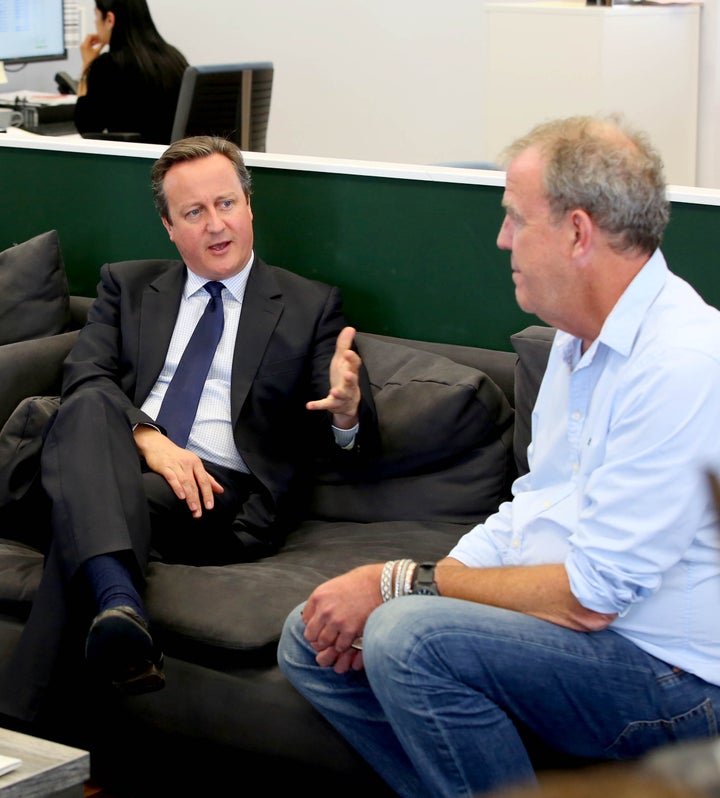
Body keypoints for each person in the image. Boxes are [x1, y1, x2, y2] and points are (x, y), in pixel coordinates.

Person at [277, 114, 720, 798]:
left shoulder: (681, 363)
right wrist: (432, 584)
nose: (501, 239)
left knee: (407, 638)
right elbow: (531, 511)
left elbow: (591, 598)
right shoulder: (576, 341)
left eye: (516, 218)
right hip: (601, 643)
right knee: (314, 634)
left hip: (678, 679)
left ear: (577, 232)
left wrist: (402, 585)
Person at [0, 135, 378, 724]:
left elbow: (351, 442)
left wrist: (348, 411)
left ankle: (26, 717)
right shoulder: (126, 287)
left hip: (217, 496)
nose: (215, 225)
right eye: (193, 213)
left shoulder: (308, 305)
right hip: (119, 459)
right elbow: (87, 377)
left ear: (249, 206)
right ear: (169, 227)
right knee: (87, 402)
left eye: (225, 204)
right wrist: (152, 442)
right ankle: (117, 606)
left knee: (83, 505)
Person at [74, 0, 188, 144]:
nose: (96, 23)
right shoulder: (174, 57)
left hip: (133, 162)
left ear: (109, 19)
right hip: (175, 160)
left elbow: (86, 126)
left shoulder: (108, 65)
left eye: (96, 16)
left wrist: (87, 65)